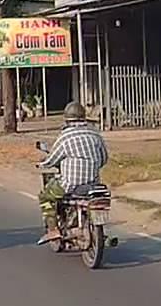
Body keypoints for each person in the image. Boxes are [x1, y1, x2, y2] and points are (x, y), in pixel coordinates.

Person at [36, 102, 108, 245]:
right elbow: (104, 158)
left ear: (67, 119)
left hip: (70, 185)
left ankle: (53, 230)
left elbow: (52, 159)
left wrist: (42, 164)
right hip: (93, 184)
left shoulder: (66, 136)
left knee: (45, 197)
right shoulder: (95, 134)